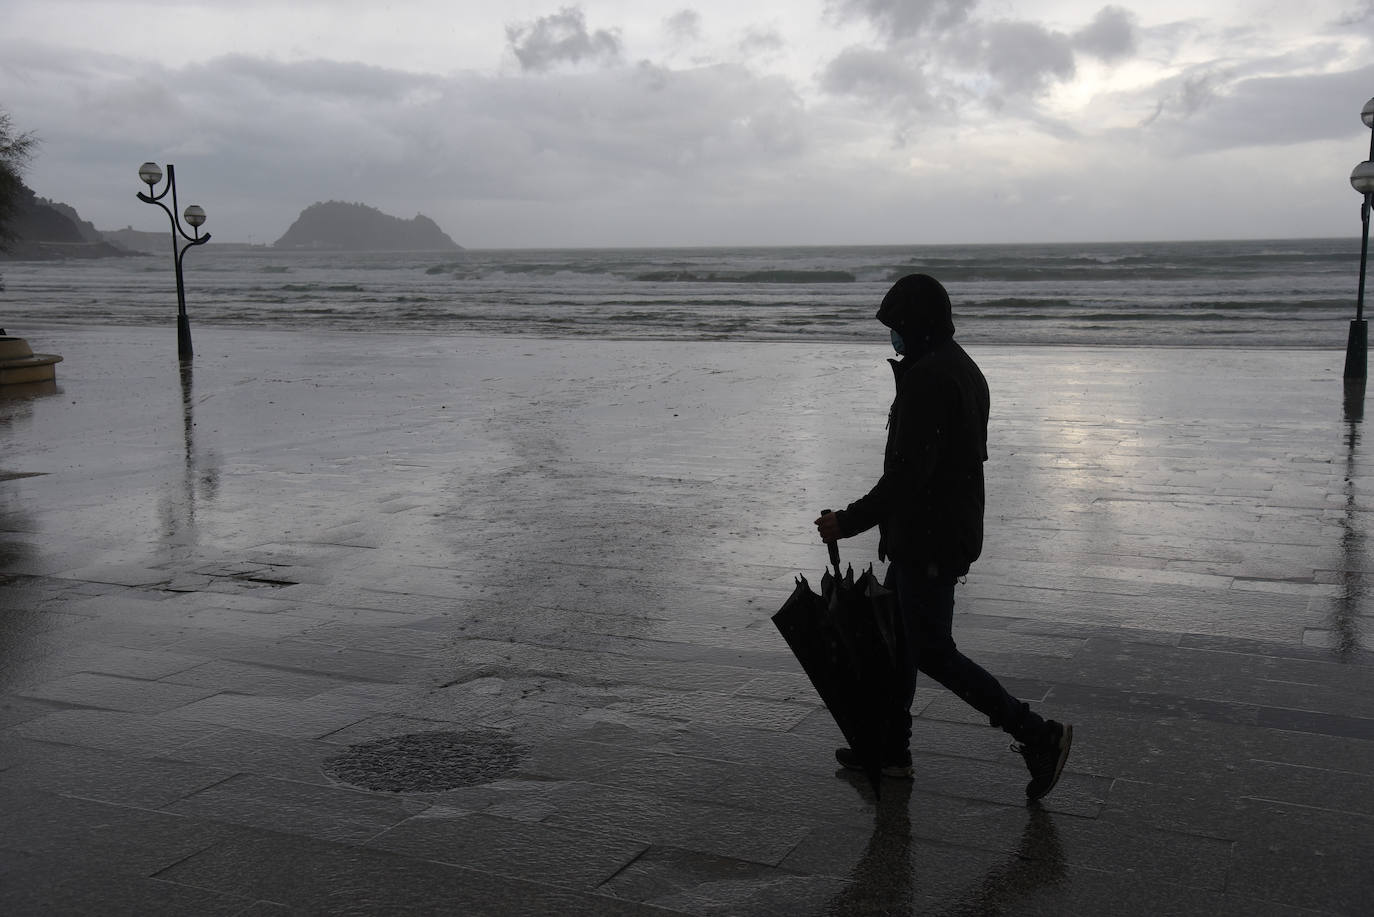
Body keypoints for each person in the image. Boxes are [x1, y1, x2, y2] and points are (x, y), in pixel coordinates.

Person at [814, 273, 1073, 802]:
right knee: (903, 645)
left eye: (897, 327)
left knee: (931, 649)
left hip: (929, 538)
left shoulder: (930, 378)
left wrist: (849, 520)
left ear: (916, 325)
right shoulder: (958, 366)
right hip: (936, 529)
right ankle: (891, 752)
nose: (893, 337)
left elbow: (909, 474)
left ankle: (1037, 734)